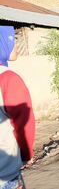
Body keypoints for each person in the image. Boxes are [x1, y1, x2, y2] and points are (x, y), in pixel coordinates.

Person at [0, 26, 35, 189]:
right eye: (12, 40)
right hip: (4, 171)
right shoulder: (8, 79)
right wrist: (27, 154)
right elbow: (23, 123)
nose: (16, 44)